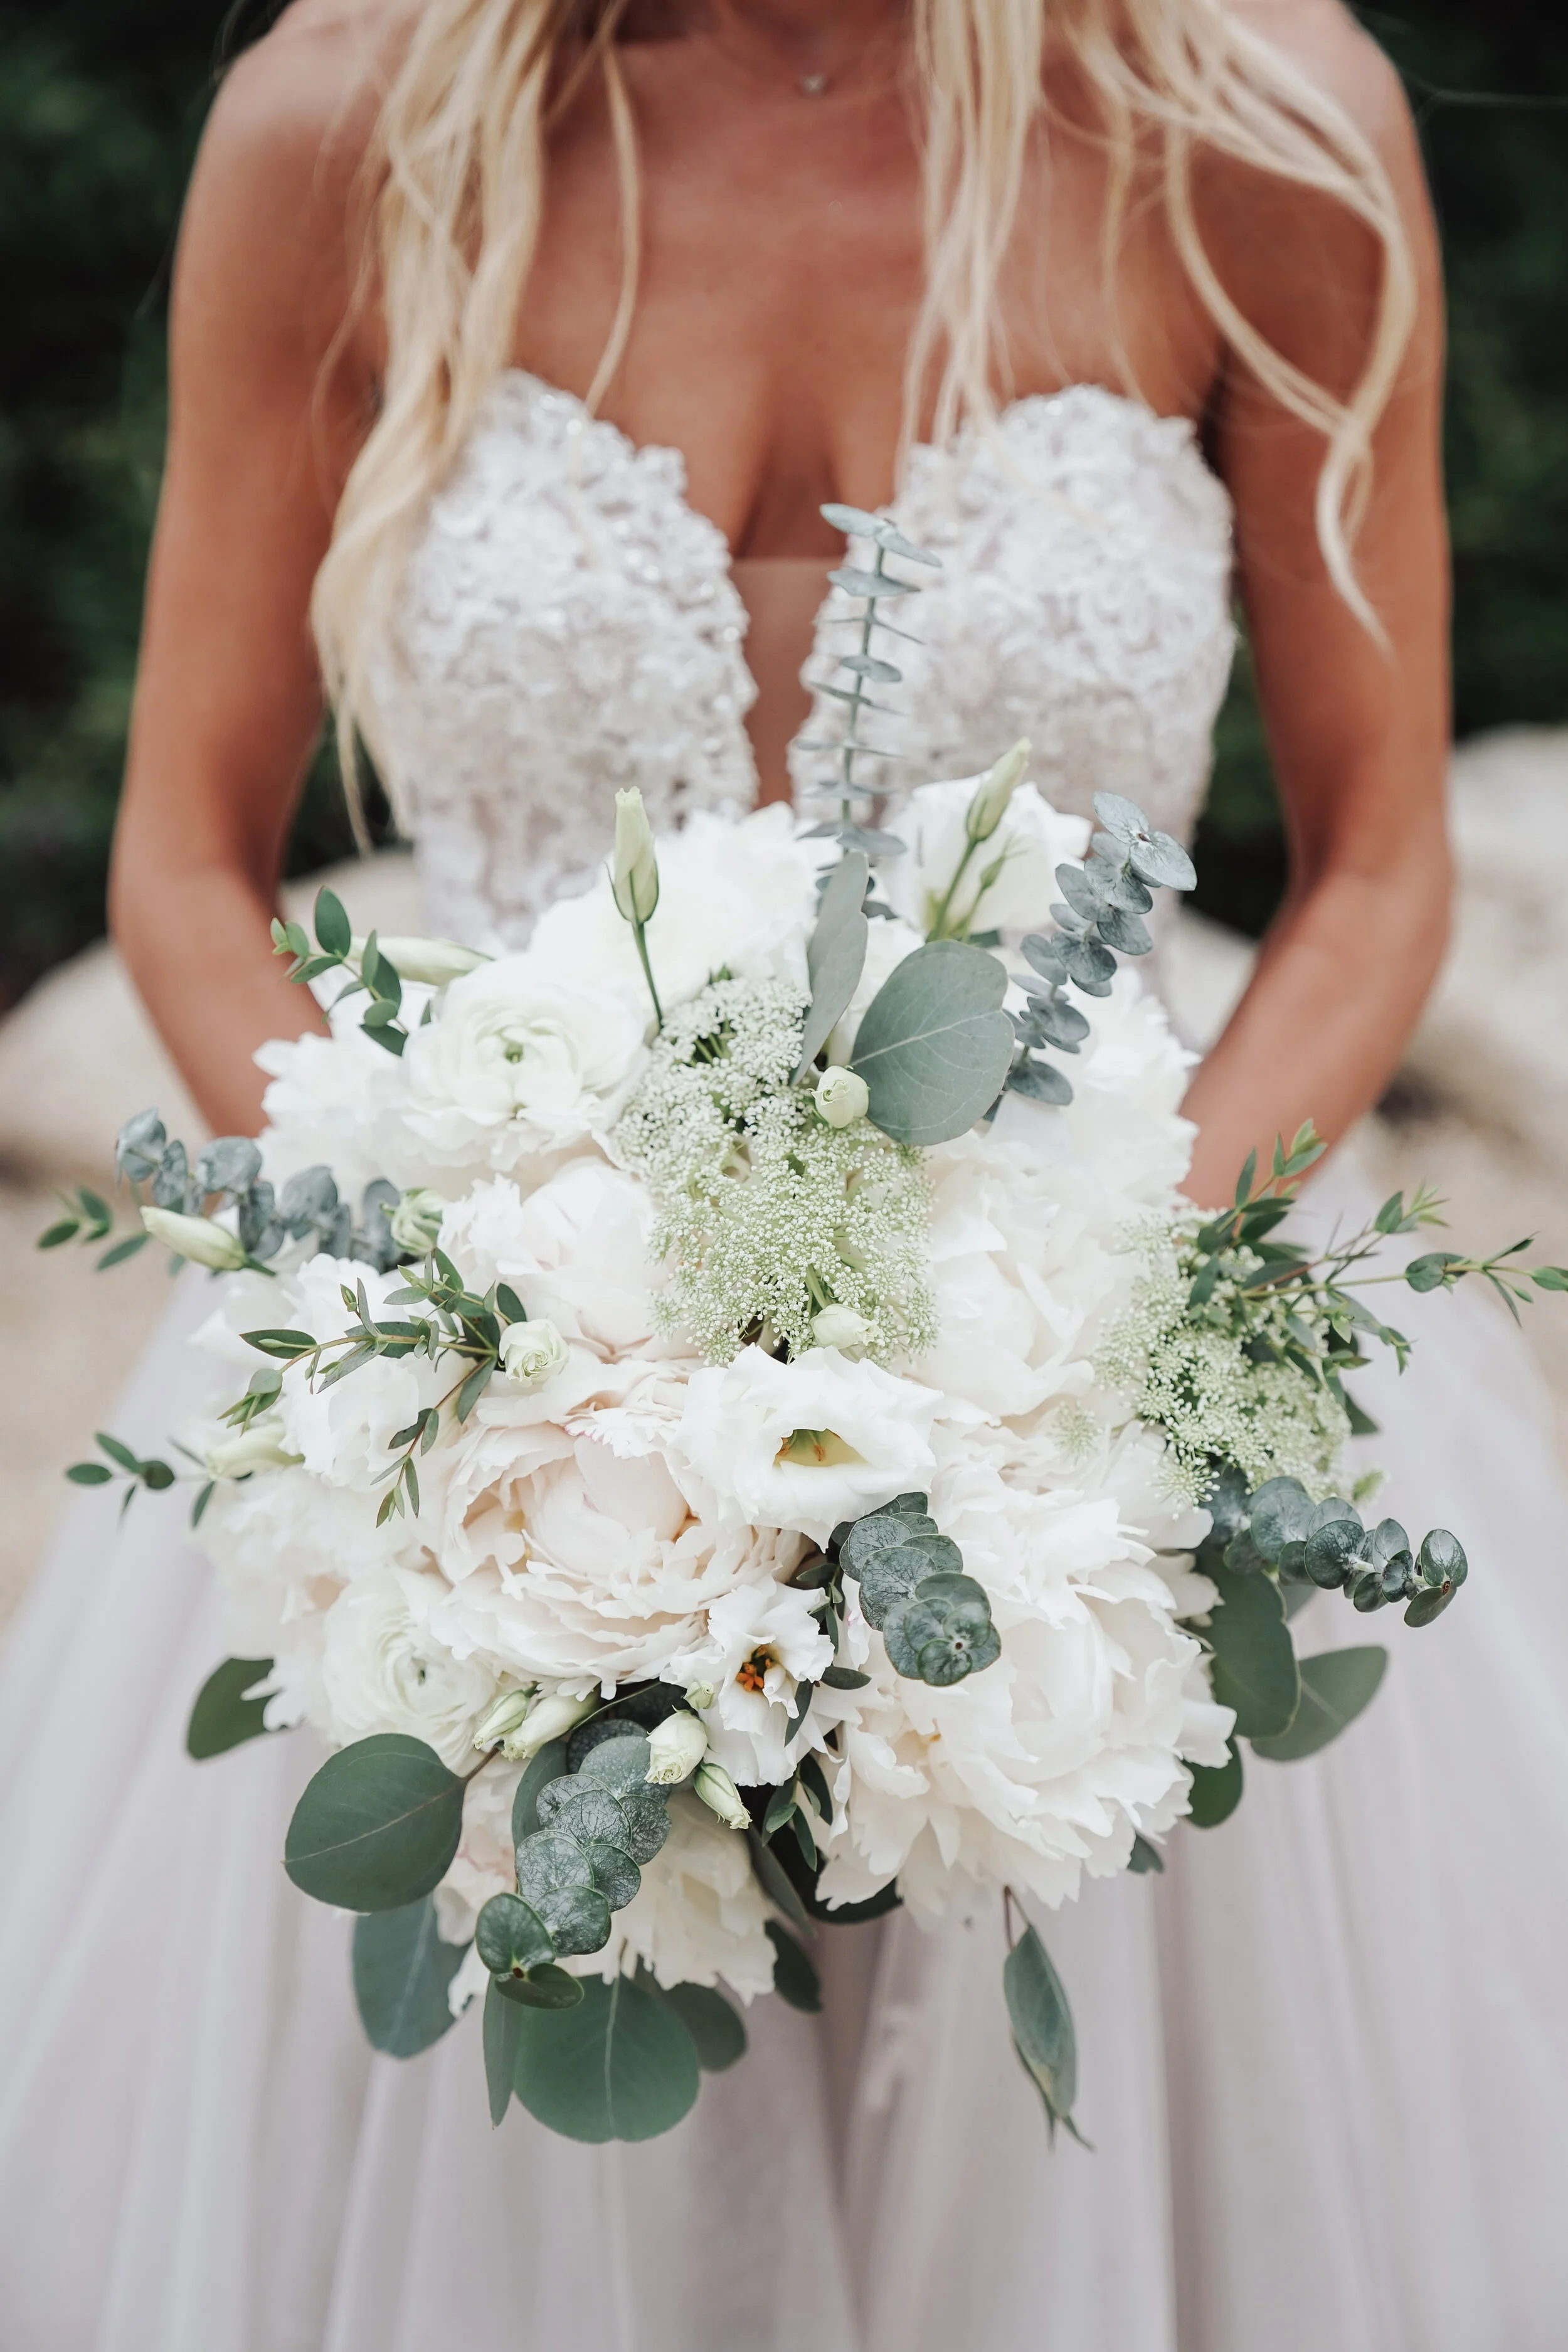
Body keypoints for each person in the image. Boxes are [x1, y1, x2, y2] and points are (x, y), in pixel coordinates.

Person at [2, 0, 1565, 2345]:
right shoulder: (344, 125)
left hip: (1114, 1345)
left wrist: (1098, 1327)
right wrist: (485, 1316)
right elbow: (185, 865)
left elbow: (1369, 871)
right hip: (478, 1369)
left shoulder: (1261, 127)